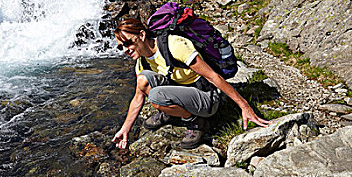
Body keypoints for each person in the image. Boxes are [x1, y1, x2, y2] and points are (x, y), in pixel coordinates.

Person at [112, 18, 271, 150]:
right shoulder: (142, 63)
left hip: (206, 96)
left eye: (128, 43)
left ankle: (196, 122)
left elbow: (212, 76)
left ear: (141, 35)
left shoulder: (174, 45)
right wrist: (125, 129)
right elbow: (138, 97)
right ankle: (171, 111)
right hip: (183, 92)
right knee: (143, 80)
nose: (126, 49)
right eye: (121, 47)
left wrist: (244, 106)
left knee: (155, 96)